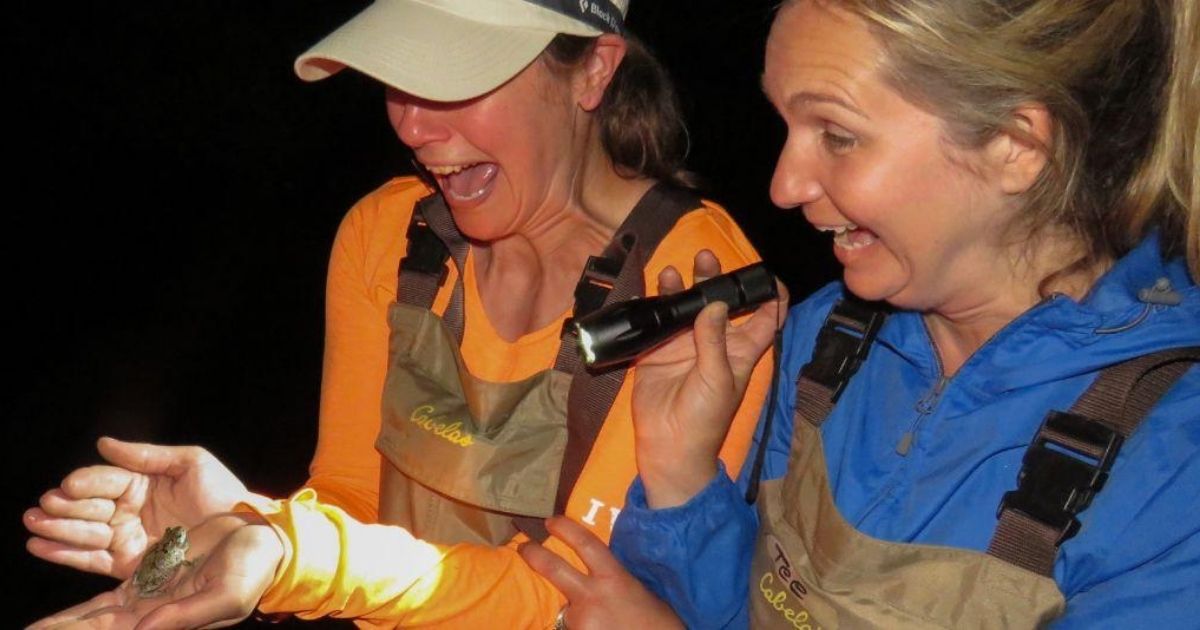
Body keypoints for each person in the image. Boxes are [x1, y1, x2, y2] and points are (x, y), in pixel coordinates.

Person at [24, 0, 775, 627]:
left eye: (452, 82)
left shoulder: (696, 291)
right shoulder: (389, 238)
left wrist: (287, 556)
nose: (413, 127)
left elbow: (564, 594)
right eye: (396, 81)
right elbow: (354, 502)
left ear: (594, 71)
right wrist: (246, 522)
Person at [520, 0, 1200, 627]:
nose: (784, 187)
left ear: (1015, 145)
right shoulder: (832, 339)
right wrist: (680, 473)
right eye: (787, 125)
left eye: (837, 135)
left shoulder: (1171, 468)